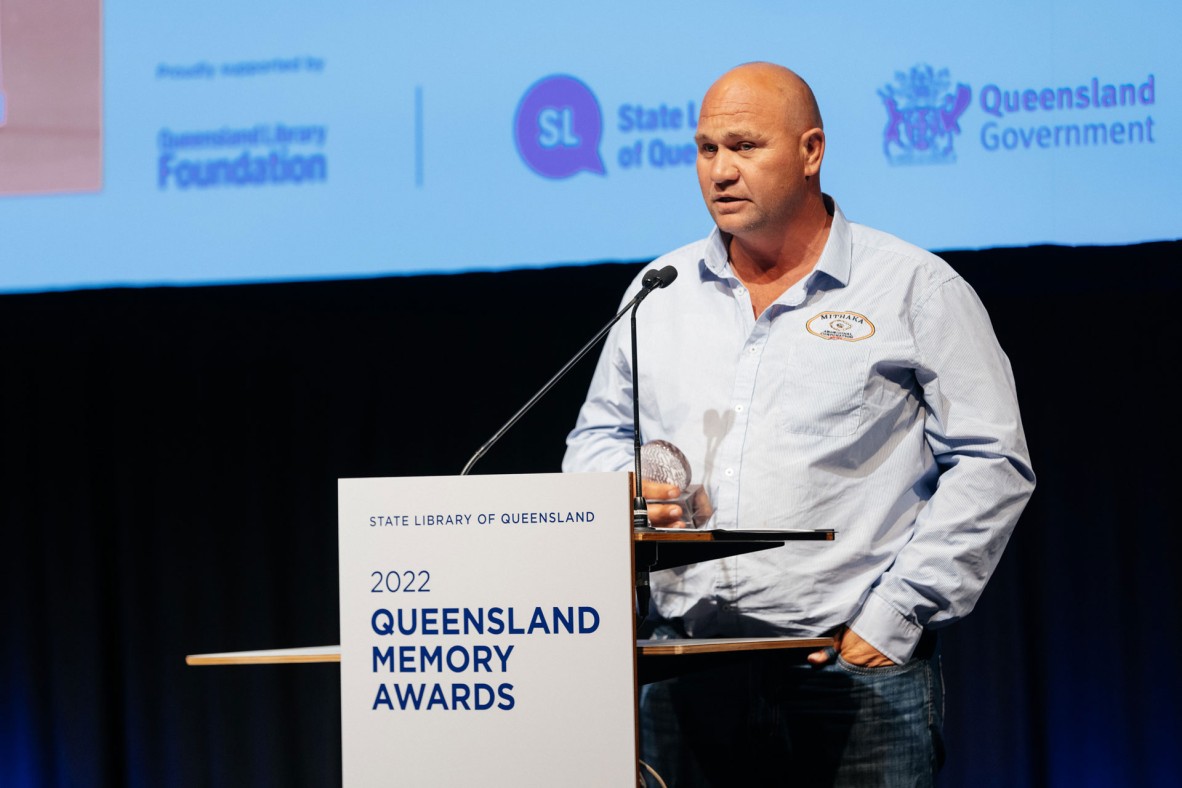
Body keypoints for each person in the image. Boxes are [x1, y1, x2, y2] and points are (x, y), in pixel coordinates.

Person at [562, 62, 1036, 787]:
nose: (720, 170)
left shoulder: (914, 287)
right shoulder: (659, 291)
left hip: (847, 670)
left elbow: (991, 461)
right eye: (706, 148)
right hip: (689, 668)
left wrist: (896, 616)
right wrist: (624, 492)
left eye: (745, 146)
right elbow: (597, 437)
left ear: (811, 152)